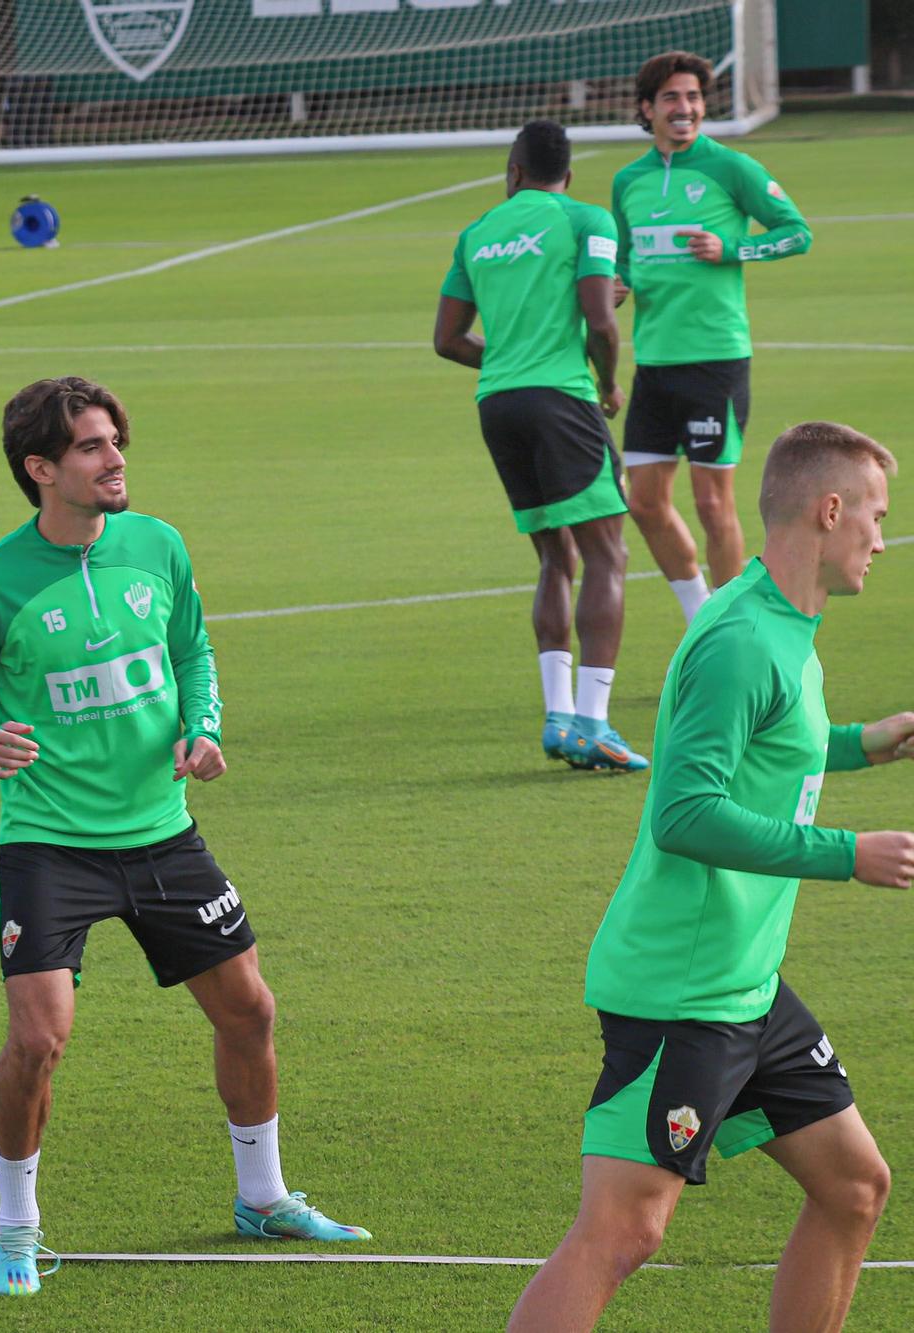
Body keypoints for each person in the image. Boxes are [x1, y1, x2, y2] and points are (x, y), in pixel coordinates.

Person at [0, 376, 370, 1297]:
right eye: (91, 447)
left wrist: (203, 725)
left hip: (163, 834)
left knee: (252, 1011)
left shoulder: (157, 545)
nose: (116, 459)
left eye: (116, 441)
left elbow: (192, 647)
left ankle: (263, 1196)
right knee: (38, 1039)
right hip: (49, 844)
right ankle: (14, 1228)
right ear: (41, 468)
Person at [507, 422, 913, 1332]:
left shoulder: (784, 624)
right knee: (620, 1232)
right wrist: (852, 853)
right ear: (830, 509)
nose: (882, 540)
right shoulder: (741, 639)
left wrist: (863, 743)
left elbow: (772, 747)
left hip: (748, 983)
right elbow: (685, 813)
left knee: (853, 1187)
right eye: (877, 518)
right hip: (681, 994)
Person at [435, 120, 645, 773]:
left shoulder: (478, 232)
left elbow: (447, 338)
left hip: (497, 405)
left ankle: (557, 715)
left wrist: (510, 362)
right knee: (608, 555)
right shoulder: (588, 219)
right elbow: (602, 321)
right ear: (568, 174)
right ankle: (594, 721)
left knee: (556, 557)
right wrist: (609, 384)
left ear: (514, 170)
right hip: (563, 399)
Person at [612, 50, 813, 623]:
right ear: (647, 109)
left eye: (694, 97)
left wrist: (733, 250)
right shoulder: (629, 182)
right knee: (644, 501)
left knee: (711, 501)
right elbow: (626, 260)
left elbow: (796, 234)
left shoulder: (731, 168)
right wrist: (617, 286)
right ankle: (703, 619)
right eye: (673, 98)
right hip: (654, 362)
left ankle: (730, 636)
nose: (686, 108)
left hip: (715, 361)